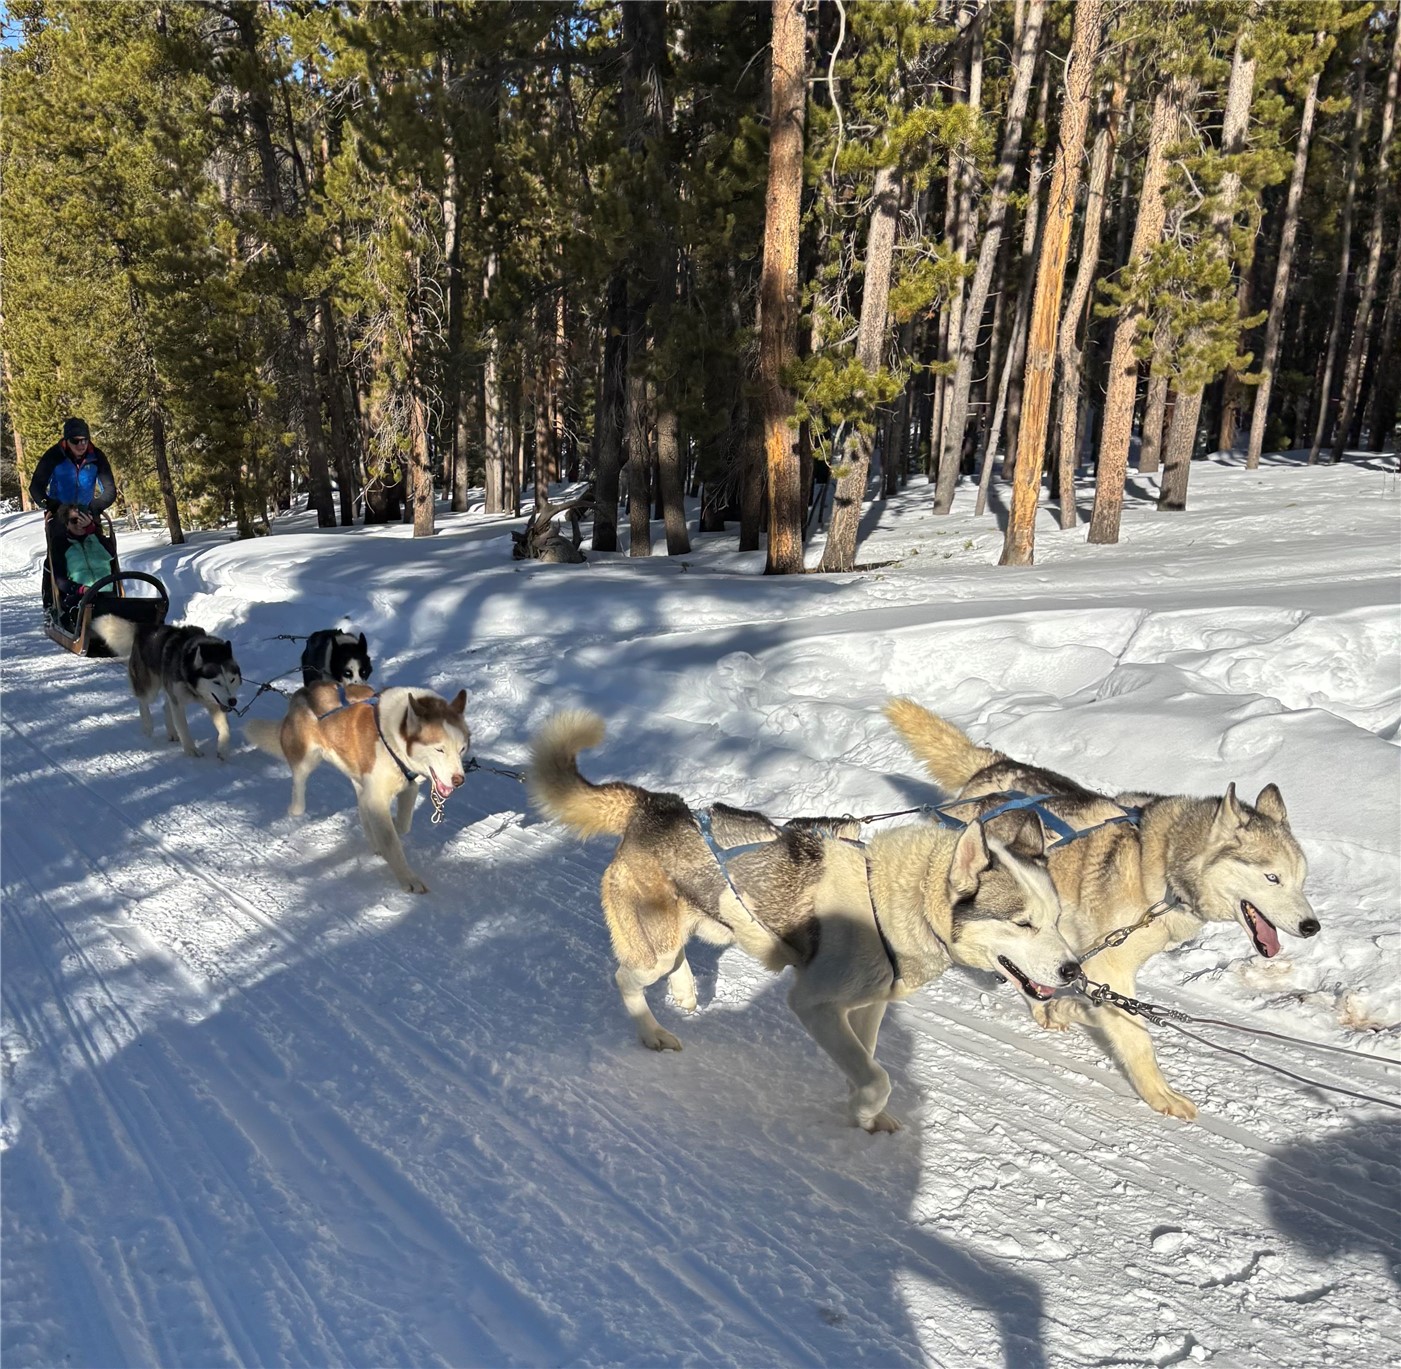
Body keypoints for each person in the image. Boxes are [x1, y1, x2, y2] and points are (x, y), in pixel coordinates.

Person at [29, 417, 116, 516]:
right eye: (75, 441)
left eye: (85, 440)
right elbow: (36, 487)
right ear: (67, 440)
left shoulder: (96, 456)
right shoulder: (53, 455)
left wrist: (96, 506)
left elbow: (110, 490)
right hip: (59, 514)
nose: (81, 445)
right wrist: (51, 505)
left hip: (87, 513)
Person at [57, 504, 115, 590]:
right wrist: (80, 589)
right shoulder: (62, 546)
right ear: (67, 524)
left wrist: (91, 530)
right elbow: (60, 580)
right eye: (74, 520)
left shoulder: (97, 538)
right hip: (81, 594)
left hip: (106, 592)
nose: (79, 524)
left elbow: (111, 555)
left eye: (83, 518)